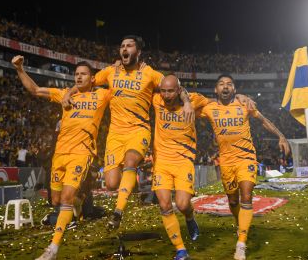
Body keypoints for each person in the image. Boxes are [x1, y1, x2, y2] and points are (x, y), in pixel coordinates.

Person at [62, 35, 195, 230]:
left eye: (129, 45)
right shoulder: (110, 71)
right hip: (115, 134)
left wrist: (187, 102)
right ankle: (98, 199)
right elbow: (86, 82)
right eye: (122, 46)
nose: (124, 48)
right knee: (111, 184)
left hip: (138, 130)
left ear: (138, 52)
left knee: (131, 161)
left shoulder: (149, 73)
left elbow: (174, 85)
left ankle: (117, 213)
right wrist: (68, 93)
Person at [11, 55, 111, 260]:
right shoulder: (64, 94)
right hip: (60, 155)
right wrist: (20, 68)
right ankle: (80, 198)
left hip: (82, 153)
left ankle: (52, 249)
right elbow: (35, 90)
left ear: (93, 78)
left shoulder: (102, 95)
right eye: (76, 74)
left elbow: (117, 82)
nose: (78, 77)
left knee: (65, 198)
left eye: (84, 74)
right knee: (56, 200)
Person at [200, 74, 290, 260]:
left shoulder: (245, 104)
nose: (225, 87)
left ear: (234, 89)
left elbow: (263, 120)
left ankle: (241, 243)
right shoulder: (209, 108)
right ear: (216, 89)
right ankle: (239, 222)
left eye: (229, 84)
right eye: (221, 84)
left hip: (246, 158)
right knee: (233, 201)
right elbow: (188, 105)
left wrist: (281, 135)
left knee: (246, 197)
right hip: (225, 161)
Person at [151, 75, 209, 260]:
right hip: (161, 162)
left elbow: (216, 104)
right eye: (163, 91)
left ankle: (190, 218)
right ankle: (181, 250)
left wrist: (240, 98)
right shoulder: (156, 100)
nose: (166, 95)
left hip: (184, 161)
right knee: (165, 205)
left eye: (170, 91)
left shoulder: (193, 100)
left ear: (178, 90)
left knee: (183, 204)